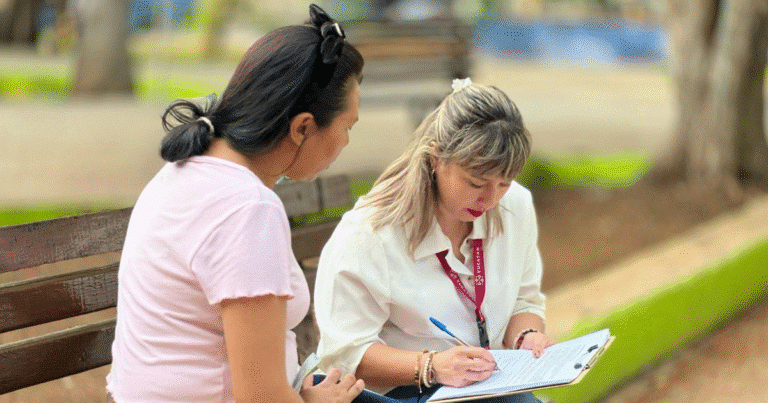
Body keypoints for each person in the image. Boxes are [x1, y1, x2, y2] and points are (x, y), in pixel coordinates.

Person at [106, 5, 366, 403]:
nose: (347, 142)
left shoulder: (190, 167)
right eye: (348, 127)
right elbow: (259, 398)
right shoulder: (247, 209)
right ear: (302, 127)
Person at [313, 79, 553, 402]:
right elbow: (344, 354)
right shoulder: (371, 232)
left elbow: (523, 302)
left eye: (504, 183)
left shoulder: (516, 207)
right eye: (476, 182)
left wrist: (527, 335)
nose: (490, 199)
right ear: (436, 158)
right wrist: (431, 366)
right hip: (399, 394)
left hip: (482, 388)